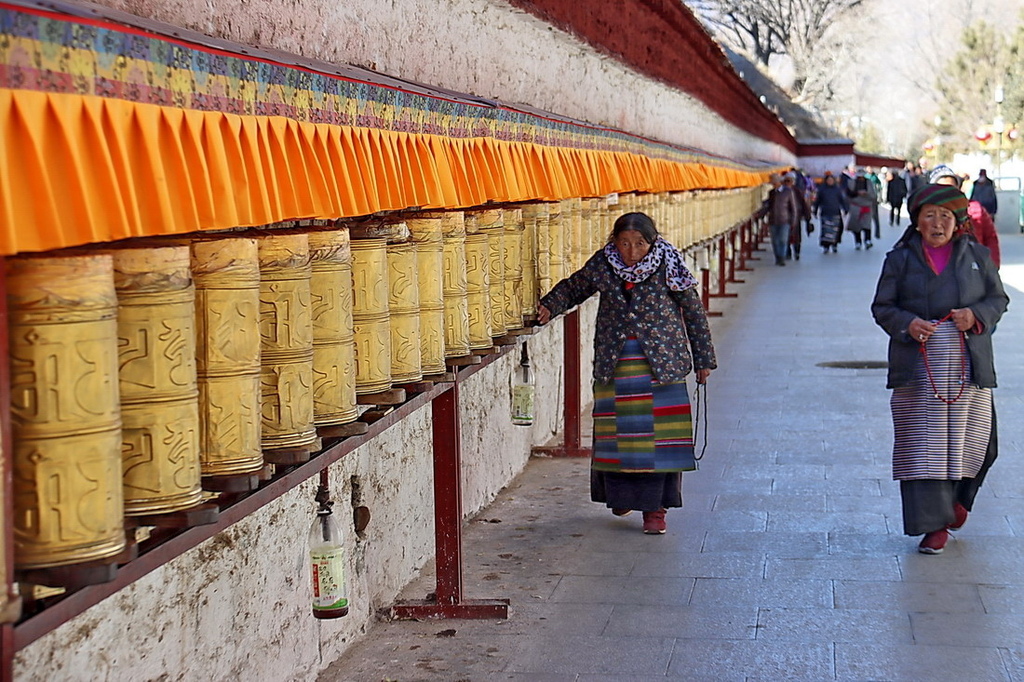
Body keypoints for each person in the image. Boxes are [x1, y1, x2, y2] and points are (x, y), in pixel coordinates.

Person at [536, 212, 716, 535]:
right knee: (619, 440)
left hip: (662, 367)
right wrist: (550, 304)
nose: (631, 253)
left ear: (652, 242)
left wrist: (703, 359)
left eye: (639, 244)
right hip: (616, 364)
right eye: (624, 244)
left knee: (661, 444)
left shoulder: (668, 264)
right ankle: (620, 496)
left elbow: (693, 310)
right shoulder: (604, 264)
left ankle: (656, 511)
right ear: (614, 242)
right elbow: (575, 287)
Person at [871, 184, 1009, 554]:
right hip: (919, 365)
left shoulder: (977, 255)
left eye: (945, 216)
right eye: (929, 215)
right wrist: (907, 323)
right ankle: (933, 525)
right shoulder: (899, 260)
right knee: (923, 446)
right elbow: (882, 307)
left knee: (977, 441)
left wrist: (975, 315)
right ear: (916, 222)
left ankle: (958, 502)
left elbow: (999, 298)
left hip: (968, 364)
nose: (937, 223)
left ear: (957, 222)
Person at [930, 164, 1001, 268]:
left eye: (951, 187)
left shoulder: (976, 209)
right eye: (940, 188)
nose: (946, 192)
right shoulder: (926, 214)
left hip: (974, 271)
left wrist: (991, 268)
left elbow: (991, 239)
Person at [766, 172, 800, 266]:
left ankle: (781, 257)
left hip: (784, 219)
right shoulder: (772, 193)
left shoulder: (788, 192)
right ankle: (777, 256)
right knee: (775, 241)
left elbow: (793, 207)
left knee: (783, 239)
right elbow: (769, 206)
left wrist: (793, 220)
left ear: (779, 181)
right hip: (773, 219)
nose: (773, 184)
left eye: (774, 182)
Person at [813, 172, 847, 253]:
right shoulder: (822, 190)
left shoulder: (837, 190)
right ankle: (826, 246)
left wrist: (845, 209)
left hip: (835, 212)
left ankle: (834, 244)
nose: (830, 181)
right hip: (825, 212)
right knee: (826, 231)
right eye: (828, 180)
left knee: (835, 230)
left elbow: (842, 200)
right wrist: (815, 210)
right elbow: (817, 201)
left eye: (831, 180)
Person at [845, 172, 875, 250]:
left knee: (867, 224)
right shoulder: (851, 183)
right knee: (856, 225)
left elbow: (873, 195)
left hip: (866, 205)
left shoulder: (869, 183)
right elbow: (848, 194)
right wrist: (857, 193)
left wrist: (867, 194)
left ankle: (867, 240)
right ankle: (858, 242)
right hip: (856, 206)